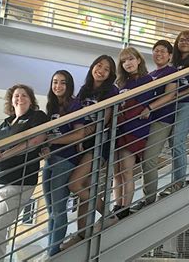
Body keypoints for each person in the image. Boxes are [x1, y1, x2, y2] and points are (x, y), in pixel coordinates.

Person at [0, 84, 48, 262]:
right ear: (11, 100)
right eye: (16, 95)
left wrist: (3, 155)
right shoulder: (5, 123)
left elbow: (35, 141)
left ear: (31, 100)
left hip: (18, 182)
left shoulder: (37, 117)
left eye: (24, 95)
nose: (20, 98)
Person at [61, 55, 118, 250]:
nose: (100, 70)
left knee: (75, 184)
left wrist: (82, 136)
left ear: (110, 75)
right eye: (98, 66)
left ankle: (108, 215)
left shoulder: (112, 91)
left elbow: (105, 120)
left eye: (106, 69)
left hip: (99, 143)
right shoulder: (84, 91)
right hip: (83, 143)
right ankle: (82, 234)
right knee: (85, 187)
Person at [42, 70, 87, 256]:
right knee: (51, 209)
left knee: (59, 210)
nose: (58, 86)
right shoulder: (51, 107)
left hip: (66, 160)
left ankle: (54, 253)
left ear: (68, 86)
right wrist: (45, 146)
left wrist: (52, 142)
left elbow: (79, 135)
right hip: (50, 159)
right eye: (55, 82)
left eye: (62, 83)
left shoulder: (75, 105)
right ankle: (50, 249)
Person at [132, 40, 178, 211]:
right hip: (147, 122)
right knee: (144, 159)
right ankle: (147, 197)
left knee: (150, 159)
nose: (158, 54)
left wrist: (149, 108)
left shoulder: (171, 71)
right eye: (156, 51)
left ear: (170, 55)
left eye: (162, 51)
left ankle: (149, 199)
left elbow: (170, 95)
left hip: (162, 119)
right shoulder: (151, 75)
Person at [159, 30, 189, 196]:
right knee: (172, 141)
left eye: (188, 40)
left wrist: (176, 95)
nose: (184, 42)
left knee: (177, 139)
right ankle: (175, 180)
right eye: (181, 40)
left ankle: (178, 182)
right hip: (173, 105)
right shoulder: (173, 64)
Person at [114, 47, 154, 217]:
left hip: (134, 130)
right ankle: (117, 205)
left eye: (130, 59)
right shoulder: (121, 84)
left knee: (127, 170)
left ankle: (125, 207)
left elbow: (138, 107)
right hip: (118, 130)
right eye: (124, 61)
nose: (127, 63)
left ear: (138, 60)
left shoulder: (147, 80)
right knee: (116, 172)